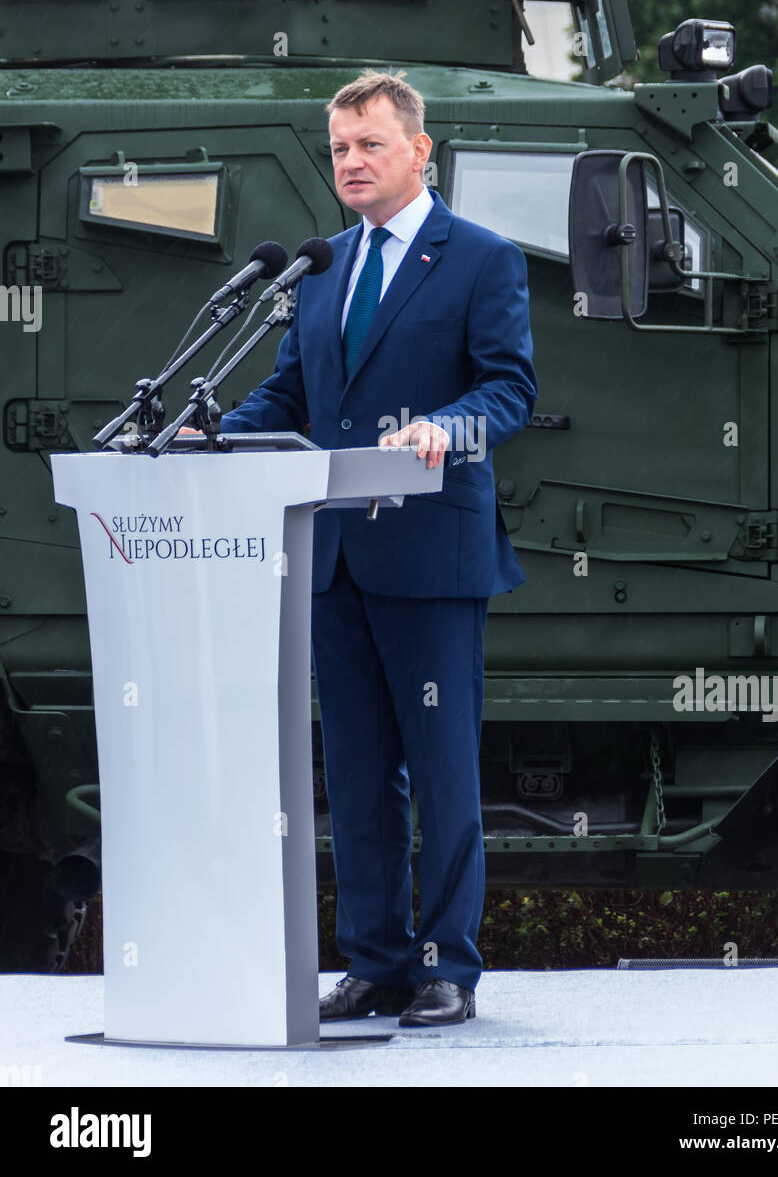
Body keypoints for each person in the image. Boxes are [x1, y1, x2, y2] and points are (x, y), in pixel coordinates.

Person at [219, 69, 537, 1025]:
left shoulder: (480, 258)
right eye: (340, 149)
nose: (350, 163)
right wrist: (213, 433)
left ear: (418, 151)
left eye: (369, 145)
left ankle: (449, 968)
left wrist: (446, 427)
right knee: (356, 775)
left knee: (441, 773)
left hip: (431, 557)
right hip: (334, 557)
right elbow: (290, 397)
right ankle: (376, 961)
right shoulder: (322, 270)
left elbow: (509, 391)